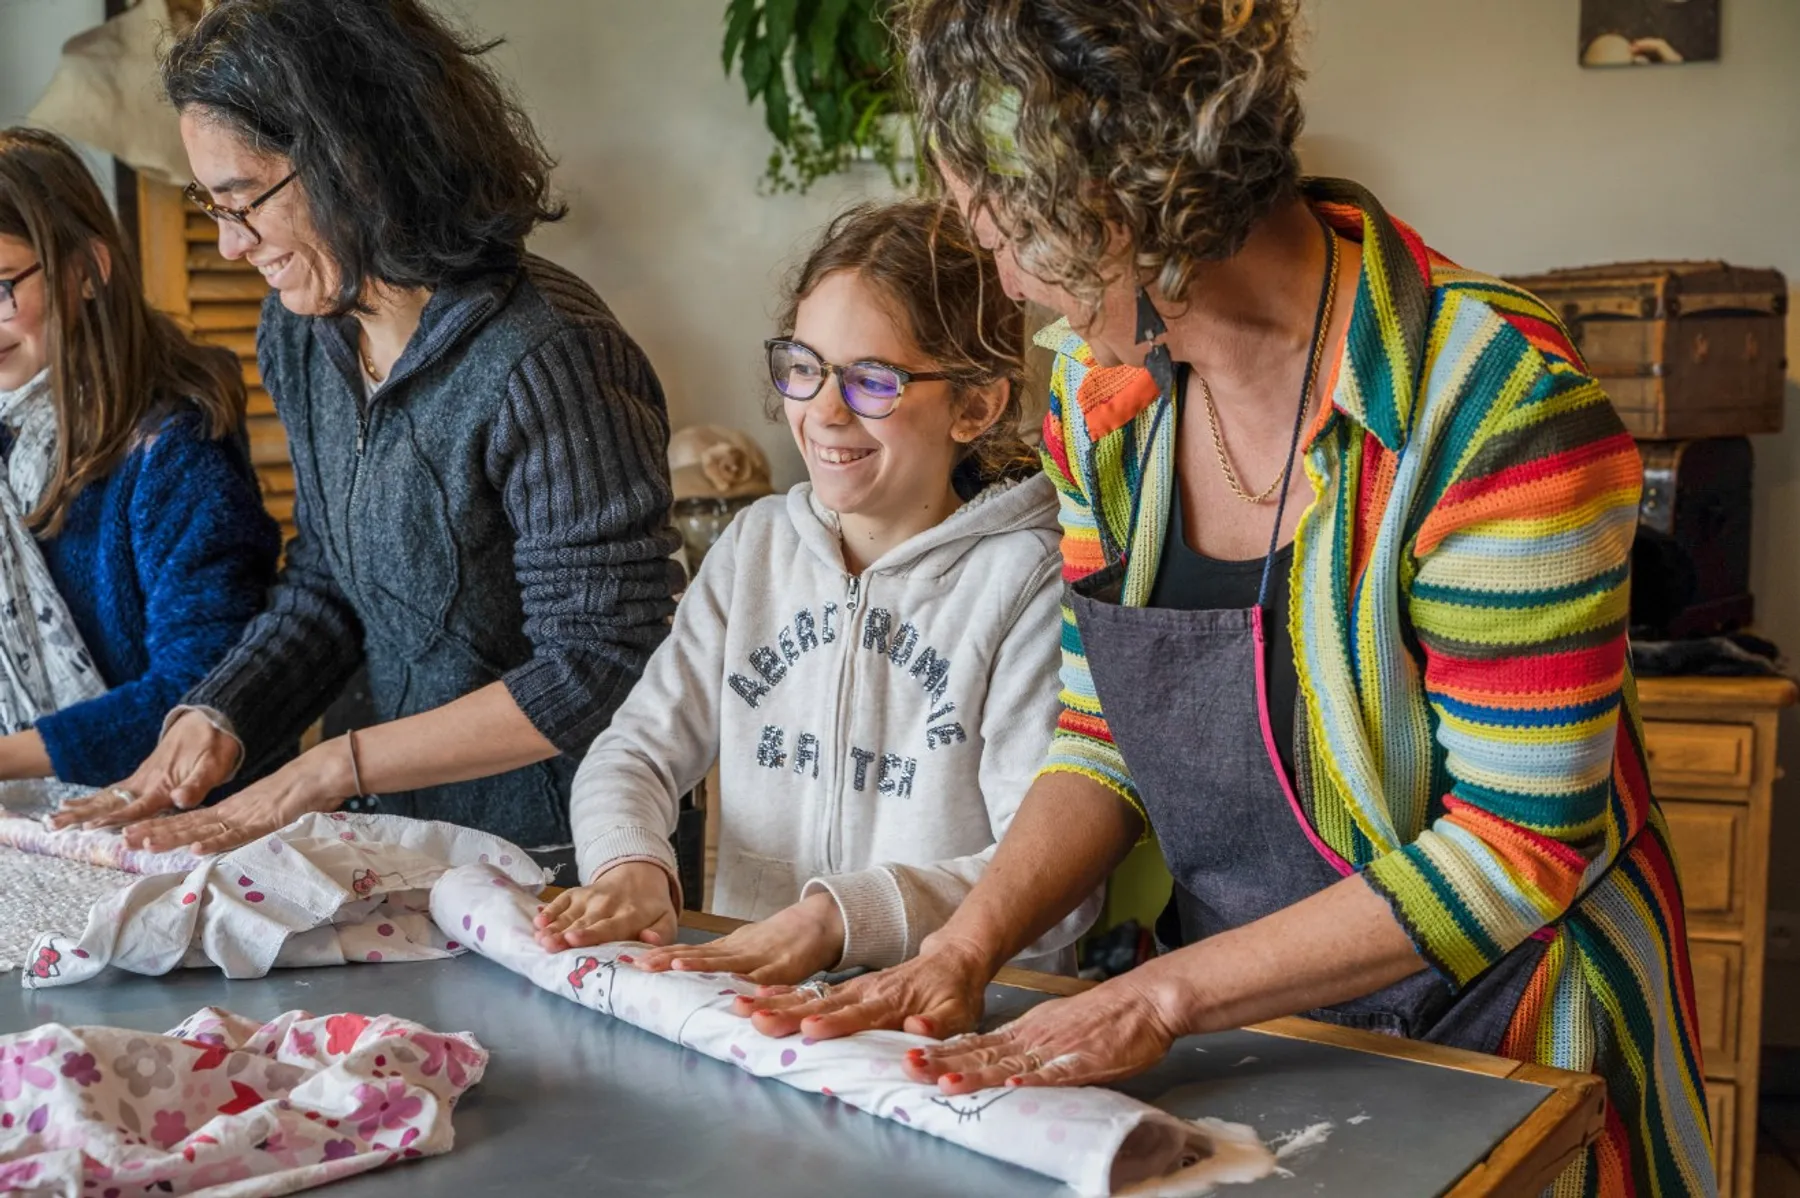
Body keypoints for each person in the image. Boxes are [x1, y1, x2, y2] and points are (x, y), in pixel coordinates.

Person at [736, 3, 1712, 1194]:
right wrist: (965, 943)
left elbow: (1515, 851)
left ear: (1111, 210)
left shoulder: (1492, 407)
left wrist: (1162, 997)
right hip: (1263, 1027)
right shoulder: (1102, 402)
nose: (989, 260)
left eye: (995, 221)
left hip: (1508, 1038)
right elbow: (1104, 739)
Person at [52, 0, 680, 875]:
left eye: (244, 203)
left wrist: (330, 767)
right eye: (211, 206)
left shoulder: (551, 355)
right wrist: (219, 714)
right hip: (401, 838)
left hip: (565, 855)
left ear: (356, 158)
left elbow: (597, 664)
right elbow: (330, 581)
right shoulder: (304, 330)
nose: (230, 246)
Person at [534, 200, 1098, 980]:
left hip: (955, 1021)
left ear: (976, 404)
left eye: (874, 380)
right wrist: (628, 862)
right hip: (756, 1008)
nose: (825, 411)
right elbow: (634, 753)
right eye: (804, 367)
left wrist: (841, 921)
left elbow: (1052, 889)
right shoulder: (755, 549)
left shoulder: (1027, 583)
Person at [0, 127, 278, 789]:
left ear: (88, 270)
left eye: (0, 286)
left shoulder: (174, 448)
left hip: (175, 823)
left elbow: (204, 685)